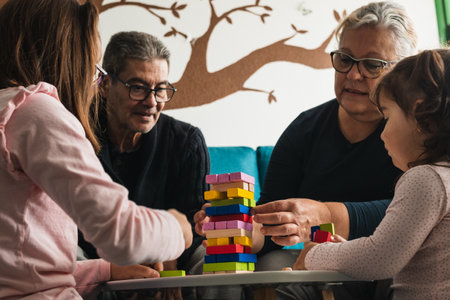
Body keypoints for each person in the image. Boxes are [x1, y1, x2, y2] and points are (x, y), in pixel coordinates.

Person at [194, 1, 417, 299]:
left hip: (388, 263)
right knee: (228, 265)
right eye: (345, 59)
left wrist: (324, 213)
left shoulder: (415, 132)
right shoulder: (305, 128)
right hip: (313, 259)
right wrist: (238, 229)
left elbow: (413, 213)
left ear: (401, 71)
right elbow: (273, 228)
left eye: (372, 64)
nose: (353, 75)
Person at [0, 1, 192, 299]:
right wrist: (177, 227)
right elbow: (120, 234)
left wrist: (103, 270)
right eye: (93, 66)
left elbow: (20, 266)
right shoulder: (37, 113)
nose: (92, 80)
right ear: (67, 56)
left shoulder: (7, 109)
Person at [295, 48, 450, 299]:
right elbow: (392, 252)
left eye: (387, 117)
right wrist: (350, 253)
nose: (382, 133)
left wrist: (314, 254)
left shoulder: (425, 179)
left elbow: (380, 258)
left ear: (422, 117)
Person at [77, 31, 209, 275]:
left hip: (169, 260)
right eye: (137, 88)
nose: (151, 102)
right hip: (97, 262)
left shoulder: (187, 141)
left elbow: (196, 221)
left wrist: (166, 255)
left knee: (214, 257)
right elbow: (67, 222)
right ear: (104, 85)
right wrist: (115, 267)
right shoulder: (74, 132)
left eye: (160, 89)